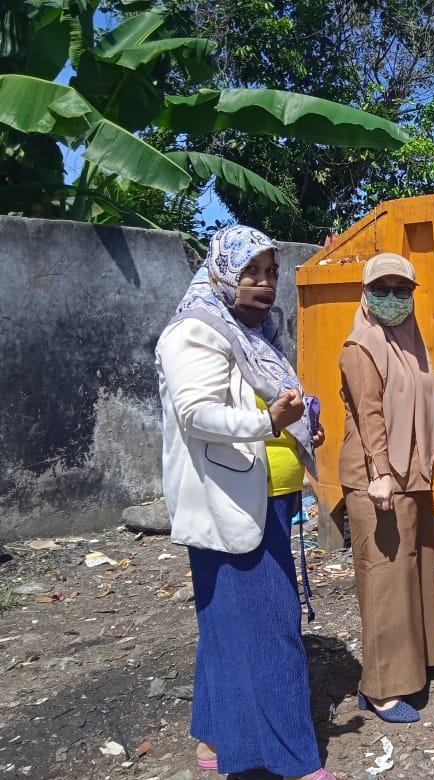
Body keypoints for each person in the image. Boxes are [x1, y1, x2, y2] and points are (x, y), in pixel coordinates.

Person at [156, 225, 335, 780]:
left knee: (226, 624)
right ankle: (292, 762)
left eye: (272, 272)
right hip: (228, 502)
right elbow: (197, 413)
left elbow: (267, 401)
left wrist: (301, 425)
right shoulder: (196, 331)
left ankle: (215, 740)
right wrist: (267, 421)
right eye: (251, 272)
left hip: (266, 498)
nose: (264, 284)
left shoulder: (251, 332)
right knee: (271, 630)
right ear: (223, 272)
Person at [338, 252, 434, 724]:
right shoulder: (362, 344)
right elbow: (369, 414)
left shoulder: (409, 339)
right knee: (384, 579)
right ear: (365, 292)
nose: (393, 299)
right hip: (378, 477)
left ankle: (416, 666)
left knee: (413, 570)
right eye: (382, 289)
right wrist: (380, 471)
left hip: (410, 473)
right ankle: (380, 689)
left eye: (403, 290)